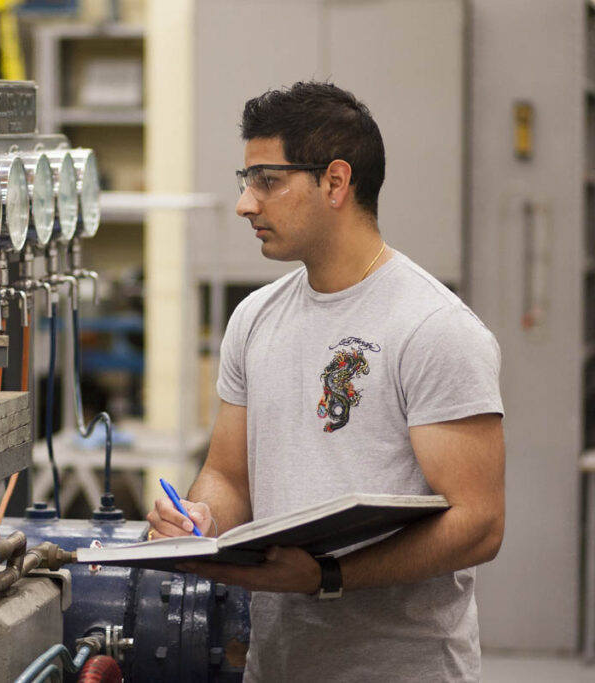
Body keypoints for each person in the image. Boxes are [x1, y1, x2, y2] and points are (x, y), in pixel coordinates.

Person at [146, 82, 505, 682]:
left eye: (267, 181)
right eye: (246, 180)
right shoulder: (255, 317)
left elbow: (479, 525)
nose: (244, 204)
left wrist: (329, 577)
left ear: (335, 183)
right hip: (279, 665)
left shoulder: (433, 328)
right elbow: (230, 475)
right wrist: (200, 520)